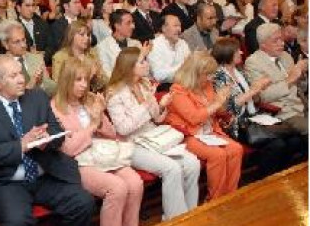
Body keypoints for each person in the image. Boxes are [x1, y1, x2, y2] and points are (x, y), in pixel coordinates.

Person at [0, 54, 96, 226]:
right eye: (13, 76)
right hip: (9, 182)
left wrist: (48, 140)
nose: (21, 80)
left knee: (83, 203)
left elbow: (57, 131)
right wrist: (21, 145)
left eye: (20, 73)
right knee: (16, 221)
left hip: (45, 173)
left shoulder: (37, 97)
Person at [106, 47, 200, 219]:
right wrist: (146, 104)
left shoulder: (144, 84)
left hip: (152, 137)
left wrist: (162, 104)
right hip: (132, 144)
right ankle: (175, 219)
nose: (146, 64)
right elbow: (123, 129)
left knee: (193, 163)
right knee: (171, 168)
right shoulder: (114, 93)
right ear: (129, 66)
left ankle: (192, 214)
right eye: (142, 61)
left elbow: (156, 118)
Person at [52, 57, 143, 226]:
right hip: (79, 163)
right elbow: (68, 149)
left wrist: (100, 117)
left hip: (103, 153)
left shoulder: (90, 99)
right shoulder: (55, 108)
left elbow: (111, 134)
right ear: (67, 80)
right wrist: (92, 125)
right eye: (78, 80)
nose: (84, 85)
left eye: (86, 79)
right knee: (117, 188)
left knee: (135, 183)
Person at [211, 37, 305, 178]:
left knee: (294, 140)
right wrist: (254, 90)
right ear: (228, 54)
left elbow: (255, 98)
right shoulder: (219, 77)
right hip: (236, 123)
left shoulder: (239, 72)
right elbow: (228, 109)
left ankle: (281, 175)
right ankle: (265, 179)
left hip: (254, 117)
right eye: (237, 51)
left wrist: (260, 89)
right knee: (277, 145)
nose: (242, 52)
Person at [166, 51, 243, 200]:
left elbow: (217, 110)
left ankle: (231, 195)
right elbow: (194, 118)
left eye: (211, 74)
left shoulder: (206, 84)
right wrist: (217, 103)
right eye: (207, 74)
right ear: (195, 73)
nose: (211, 78)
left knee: (236, 149)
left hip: (210, 132)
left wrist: (223, 100)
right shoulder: (177, 90)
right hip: (189, 135)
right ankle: (216, 199)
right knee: (218, 155)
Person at [244, 23, 308, 135]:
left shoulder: (286, 56)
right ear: (263, 44)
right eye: (275, 41)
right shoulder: (253, 63)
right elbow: (263, 96)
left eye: (281, 39)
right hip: (285, 113)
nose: (281, 43)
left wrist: (302, 76)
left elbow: (300, 88)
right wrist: (290, 79)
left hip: (303, 106)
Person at [0, 20, 56, 96]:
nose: (23, 45)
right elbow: (6, 96)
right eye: (17, 42)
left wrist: (41, 83)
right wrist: (31, 85)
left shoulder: (37, 58)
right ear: (5, 44)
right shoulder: (1, 65)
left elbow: (50, 87)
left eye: (23, 40)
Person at [148, 14, 191, 87]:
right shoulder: (155, 45)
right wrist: (183, 65)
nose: (179, 29)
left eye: (179, 26)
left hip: (184, 84)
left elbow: (190, 66)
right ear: (164, 28)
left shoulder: (183, 43)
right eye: (175, 26)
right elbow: (158, 75)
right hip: (163, 88)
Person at [97, 10, 142, 77]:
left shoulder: (136, 43)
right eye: (128, 23)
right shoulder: (103, 47)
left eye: (133, 22)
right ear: (117, 26)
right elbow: (106, 75)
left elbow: (142, 70)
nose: (133, 26)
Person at [15, 0, 53, 64]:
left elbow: (51, 46)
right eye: (27, 6)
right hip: (23, 64)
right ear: (18, 8)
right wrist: (31, 56)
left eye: (33, 5)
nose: (31, 9)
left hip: (43, 63)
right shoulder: (14, 27)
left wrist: (43, 55)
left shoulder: (42, 24)